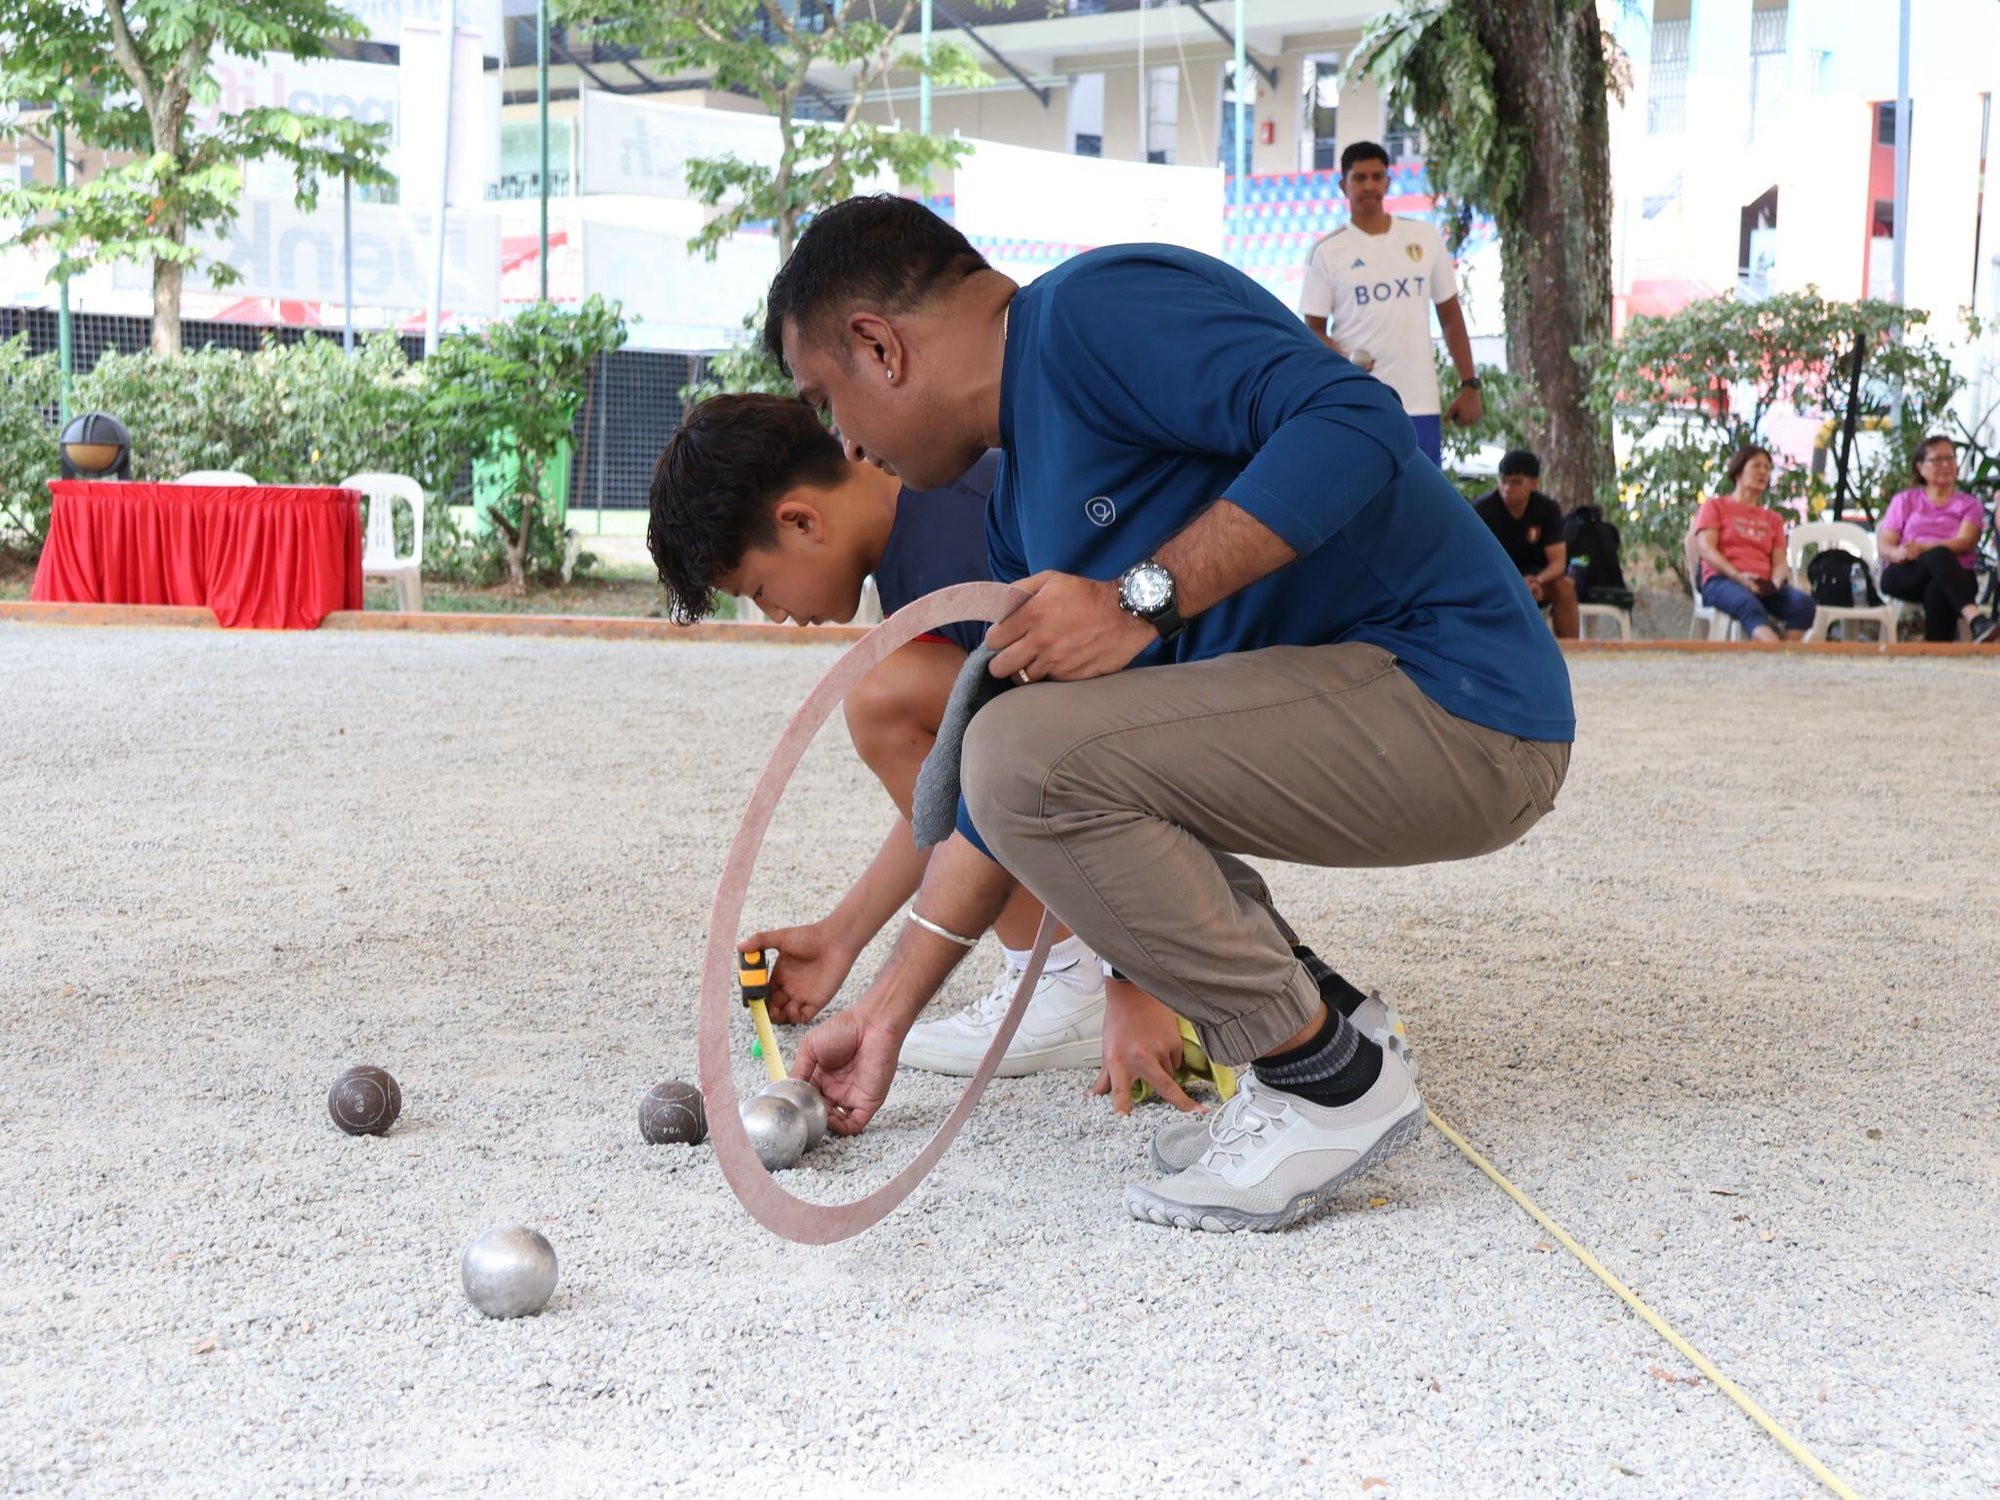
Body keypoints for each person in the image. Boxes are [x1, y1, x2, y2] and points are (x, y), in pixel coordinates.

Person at [765, 195, 1574, 1233]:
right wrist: (883, 1013)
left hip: (1462, 703)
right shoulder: (1017, 515)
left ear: (877, 346)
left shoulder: (1092, 315)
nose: (846, 441)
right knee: (1023, 757)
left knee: (1019, 752)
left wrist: (1138, 597)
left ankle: (1325, 1084)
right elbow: (1007, 805)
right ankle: (1336, 1033)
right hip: (1373, 712)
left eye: (827, 401)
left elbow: (1355, 419)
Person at [646, 393, 1396, 1110]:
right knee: (905, 695)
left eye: (762, 588)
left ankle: (1074, 977)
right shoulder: (917, 540)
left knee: (889, 696)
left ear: (801, 521)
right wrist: (843, 936)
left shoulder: (967, 532)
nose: (779, 616)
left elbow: (1104, 731)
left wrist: (1130, 980)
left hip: (1287, 718)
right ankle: (1062, 972)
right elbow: (965, 790)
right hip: (1197, 728)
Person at [1299, 141, 1483, 468]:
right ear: (1344, 185)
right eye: (1359, 178)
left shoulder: (1424, 239)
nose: (1369, 185)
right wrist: (1343, 357)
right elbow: (1311, 331)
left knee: (1420, 510)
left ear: (1387, 181)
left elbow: (1451, 316)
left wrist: (1470, 385)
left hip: (1419, 403)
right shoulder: (1327, 251)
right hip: (1358, 401)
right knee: (1362, 506)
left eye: (1377, 176)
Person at [1877, 435, 2000, 643]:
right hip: (1907, 572)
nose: (1945, 465)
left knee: (1938, 585)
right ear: (1920, 467)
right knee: (1939, 561)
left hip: (1958, 576)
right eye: (1937, 460)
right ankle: (1976, 619)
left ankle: (1937, 653)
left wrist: (1924, 548)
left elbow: (1965, 542)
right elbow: (1885, 543)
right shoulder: (1905, 500)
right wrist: (1898, 552)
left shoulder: (1969, 505)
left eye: (1950, 459)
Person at [1690, 445, 1815, 642]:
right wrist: (1738, 576)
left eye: (1767, 468)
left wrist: (1774, 583)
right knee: (1748, 604)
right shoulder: (1715, 506)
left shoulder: (1773, 519)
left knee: (1802, 604)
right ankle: (1777, 655)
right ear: (1738, 471)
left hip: (1762, 584)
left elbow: (1780, 562)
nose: (1763, 472)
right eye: (1757, 466)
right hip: (1722, 580)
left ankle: (1784, 656)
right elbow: (1706, 549)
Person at [1473, 449, 1578, 638]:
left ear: (1534, 484)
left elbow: (1558, 564)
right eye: (1503, 481)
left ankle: (1572, 653)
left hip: (1536, 582)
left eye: (1515, 482)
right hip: (1497, 582)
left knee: (1565, 588)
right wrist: (1516, 585)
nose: (1506, 489)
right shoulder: (1483, 509)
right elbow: (1476, 562)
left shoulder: (1548, 509)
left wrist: (1536, 581)